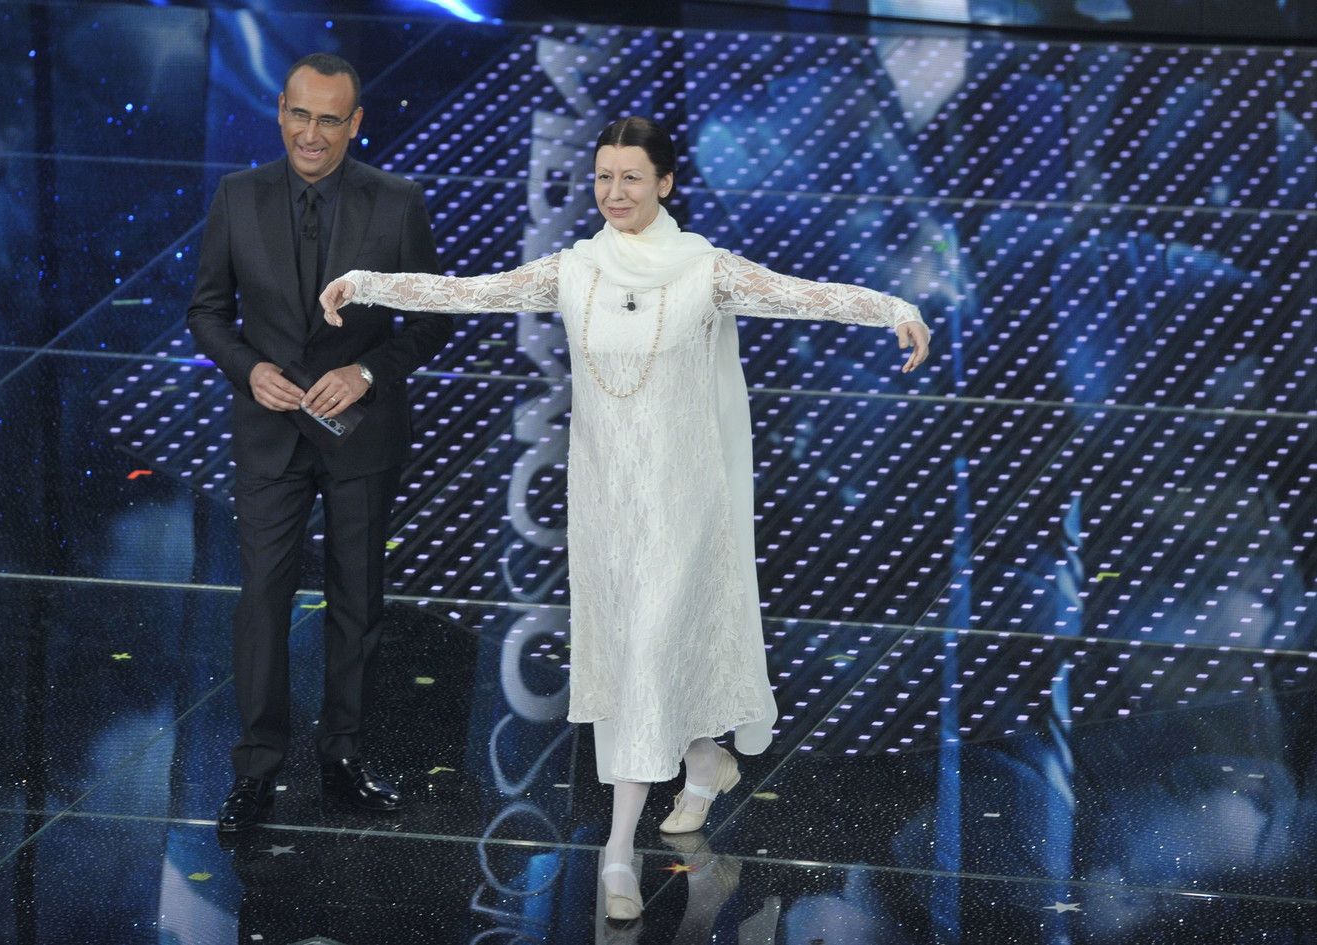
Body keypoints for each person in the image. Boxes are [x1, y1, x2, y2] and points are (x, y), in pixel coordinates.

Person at [319, 116, 930, 917]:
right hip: (606, 507)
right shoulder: (574, 270)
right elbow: (469, 291)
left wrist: (892, 306)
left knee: (645, 658)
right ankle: (704, 760)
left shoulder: (705, 271)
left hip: (684, 504)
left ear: (665, 183)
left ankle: (616, 852)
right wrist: (364, 282)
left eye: (631, 177)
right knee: (638, 658)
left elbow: (805, 297)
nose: (614, 192)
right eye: (603, 176)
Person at [187, 52, 453, 833]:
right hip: (269, 430)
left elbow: (432, 319)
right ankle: (256, 768)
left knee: (356, 601)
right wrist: (249, 369)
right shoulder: (237, 196)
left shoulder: (396, 203)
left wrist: (367, 371)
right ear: (280, 111)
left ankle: (342, 759)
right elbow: (206, 311)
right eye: (299, 115)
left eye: (329, 119)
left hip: (359, 435)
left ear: (355, 122)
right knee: (262, 599)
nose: (311, 133)